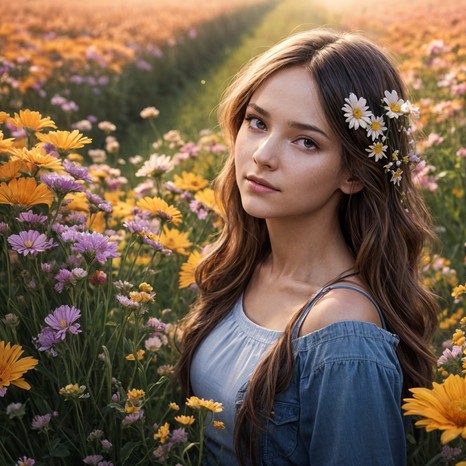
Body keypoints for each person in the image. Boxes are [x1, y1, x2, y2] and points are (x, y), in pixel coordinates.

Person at [176, 28, 438, 466]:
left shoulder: (344, 333)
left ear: (353, 175)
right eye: (257, 122)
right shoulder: (246, 268)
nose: (262, 154)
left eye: (306, 142)